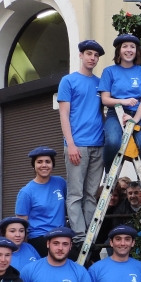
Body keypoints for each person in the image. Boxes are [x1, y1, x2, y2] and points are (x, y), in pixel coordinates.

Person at [58, 40, 106, 245]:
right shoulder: (68, 81)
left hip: (99, 145)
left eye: (96, 55)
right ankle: (78, 237)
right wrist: (70, 144)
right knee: (75, 193)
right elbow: (64, 114)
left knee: (91, 194)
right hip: (78, 144)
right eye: (89, 54)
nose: (92, 58)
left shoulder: (100, 82)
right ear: (80, 55)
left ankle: (90, 237)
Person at [99, 34, 141, 173]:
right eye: (125, 46)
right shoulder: (109, 71)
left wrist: (134, 120)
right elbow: (105, 99)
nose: (128, 50)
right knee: (112, 142)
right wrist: (123, 101)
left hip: (138, 115)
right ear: (119, 50)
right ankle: (109, 174)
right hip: (115, 114)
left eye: (132, 47)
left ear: (137, 51)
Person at [15, 146, 68, 257]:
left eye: (47, 162)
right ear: (34, 166)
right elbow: (21, 225)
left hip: (61, 235)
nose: (44, 165)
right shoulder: (26, 192)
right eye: (39, 162)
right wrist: (25, 251)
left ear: (52, 165)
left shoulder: (60, 182)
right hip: (40, 238)